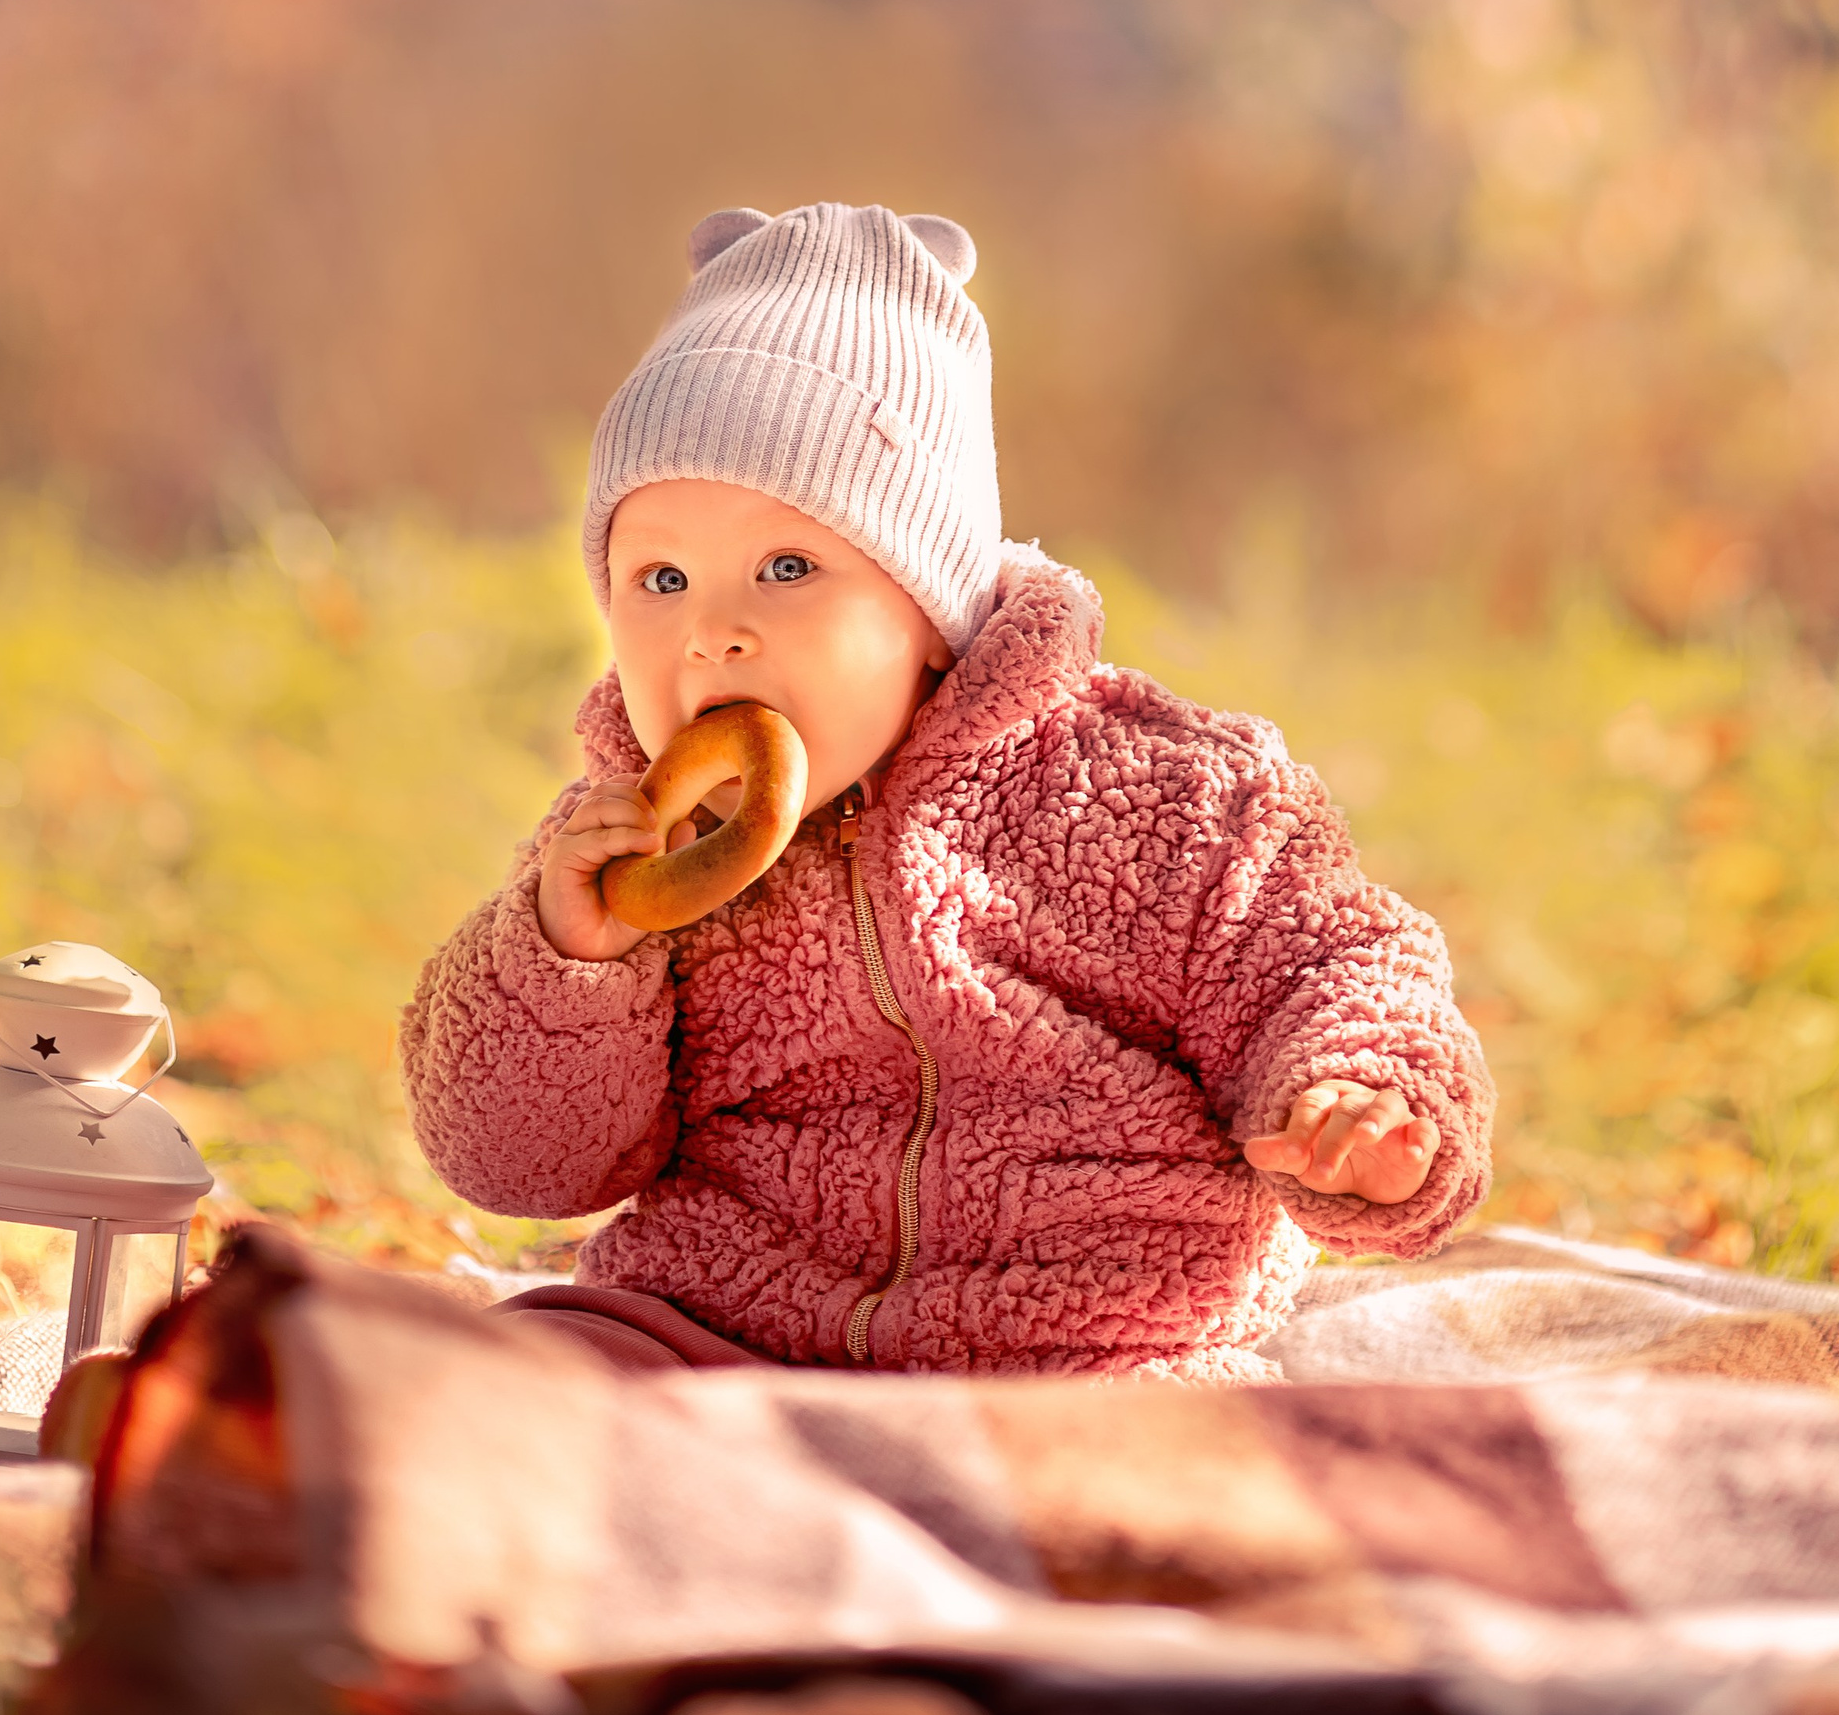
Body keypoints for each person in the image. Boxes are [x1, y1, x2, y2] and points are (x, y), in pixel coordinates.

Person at [401, 201, 1492, 1379]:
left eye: (787, 567)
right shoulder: (624, 855)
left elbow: (1330, 962)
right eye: (658, 575)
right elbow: (515, 1166)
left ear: (931, 609)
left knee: (1178, 1479)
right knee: (503, 1374)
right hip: (728, 1329)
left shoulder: (1163, 797)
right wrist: (567, 956)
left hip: (1091, 1343)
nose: (712, 629)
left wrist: (1364, 1099)